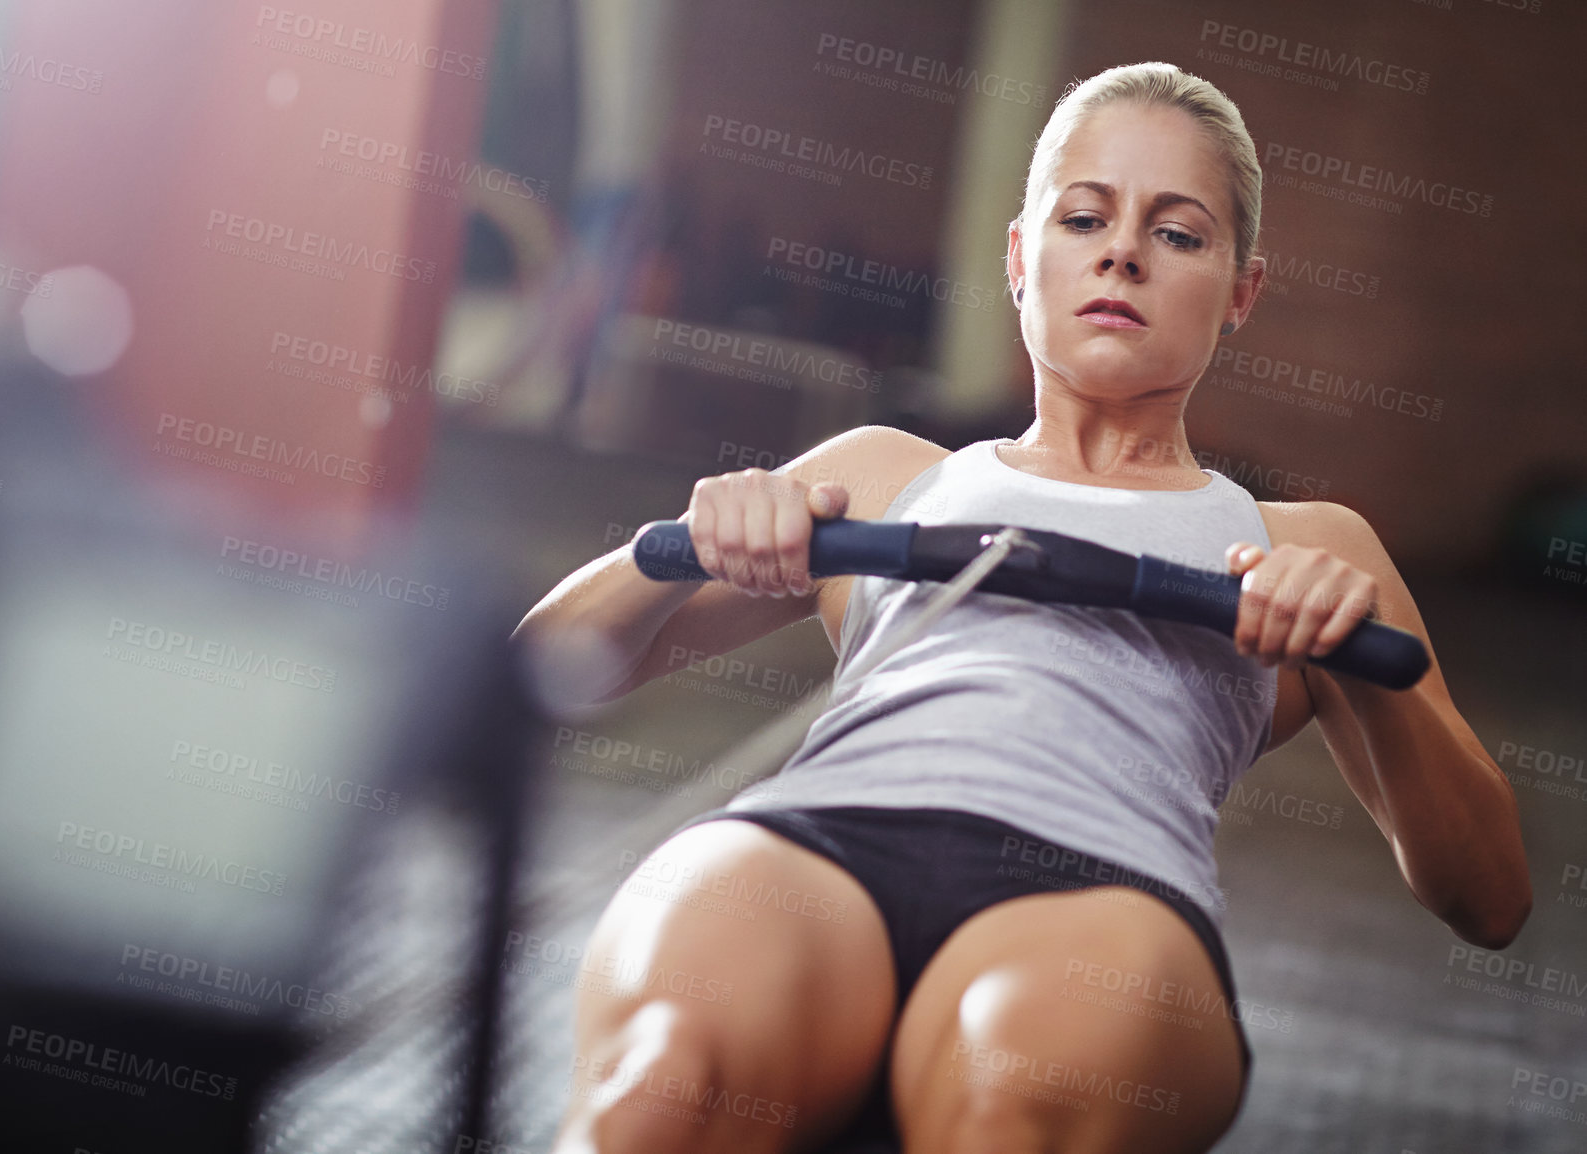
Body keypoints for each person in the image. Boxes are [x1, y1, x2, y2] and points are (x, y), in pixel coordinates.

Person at [512, 61, 1531, 1154]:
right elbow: (540, 670)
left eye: (1179, 234)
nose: (1122, 251)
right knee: (661, 1091)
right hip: (810, 851)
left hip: (1094, 897)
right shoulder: (876, 472)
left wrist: (1374, 674)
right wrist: (683, 545)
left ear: (1240, 290)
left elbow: (1488, 897)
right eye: (1083, 216)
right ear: (1017, 257)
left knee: (1013, 1112)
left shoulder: (1312, 545)